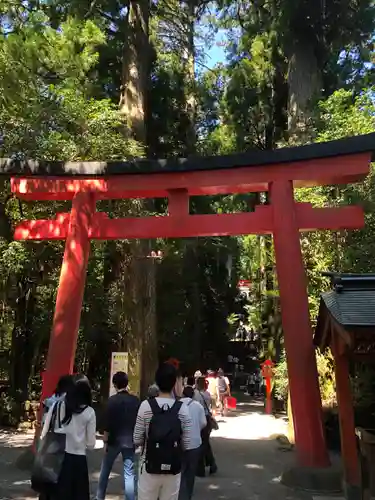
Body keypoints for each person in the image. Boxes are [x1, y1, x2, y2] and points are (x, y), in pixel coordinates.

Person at [134, 363, 192, 500]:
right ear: (174, 384)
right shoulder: (182, 409)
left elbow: (136, 439)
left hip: (149, 465)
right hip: (173, 468)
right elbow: (187, 443)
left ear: (156, 382)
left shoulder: (145, 406)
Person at [40, 374, 96, 500]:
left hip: (58, 457)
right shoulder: (90, 412)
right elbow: (91, 444)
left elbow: (44, 431)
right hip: (79, 461)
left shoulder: (57, 406)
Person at [96, 371, 140, 500]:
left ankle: (100, 497)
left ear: (114, 385)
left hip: (114, 440)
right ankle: (130, 498)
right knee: (129, 473)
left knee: (105, 471)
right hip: (130, 440)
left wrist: (105, 441)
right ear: (127, 384)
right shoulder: (135, 400)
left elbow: (107, 423)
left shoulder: (111, 401)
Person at [178, 386, 206, 500]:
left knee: (180, 471)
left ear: (183, 394)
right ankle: (187, 495)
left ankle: (179, 495)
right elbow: (203, 423)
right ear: (193, 395)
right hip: (195, 443)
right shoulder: (198, 406)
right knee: (191, 472)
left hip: (180, 442)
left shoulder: (177, 405)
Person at [195, 377, 217, 477]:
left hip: (200, 418)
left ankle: (201, 468)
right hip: (207, 418)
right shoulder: (207, 394)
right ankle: (212, 464)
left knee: (201, 444)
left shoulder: (197, 395)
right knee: (205, 443)